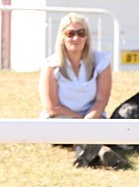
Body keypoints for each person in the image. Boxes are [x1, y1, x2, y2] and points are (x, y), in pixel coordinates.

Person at [38, 13, 124, 169]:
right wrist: (82, 122)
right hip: (60, 119)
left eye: (81, 33)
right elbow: (52, 107)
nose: (75, 38)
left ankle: (86, 155)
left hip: (93, 118)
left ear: (87, 37)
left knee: (94, 129)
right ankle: (102, 150)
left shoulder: (101, 61)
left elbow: (101, 100)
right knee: (73, 129)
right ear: (62, 37)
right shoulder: (51, 65)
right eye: (70, 34)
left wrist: (89, 120)